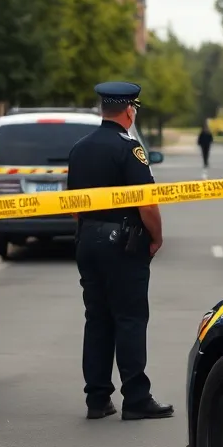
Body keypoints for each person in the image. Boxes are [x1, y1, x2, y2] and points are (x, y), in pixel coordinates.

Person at [66, 81, 173, 421]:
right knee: (129, 319)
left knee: (97, 319)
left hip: (88, 241)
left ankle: (97, 399)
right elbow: (147, 204)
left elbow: (74, 206)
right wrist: (156, 237)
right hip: (123, 244)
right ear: (129, 110)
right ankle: (136, 397)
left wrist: (86, 235)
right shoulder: (130, 150)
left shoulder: (79, 149)